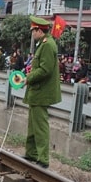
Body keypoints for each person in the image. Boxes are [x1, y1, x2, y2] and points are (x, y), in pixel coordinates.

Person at [22, 16, 62, 169]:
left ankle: (43, 158)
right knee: (33, 125)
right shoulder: (43, 44)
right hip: (36, 92)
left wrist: (28, 78)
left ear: (39, 30)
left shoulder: (47, 45)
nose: (32, 33)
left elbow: (45, 70)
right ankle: (31, 153)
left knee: (40, 126)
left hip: (41, 92)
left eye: (33, 31)